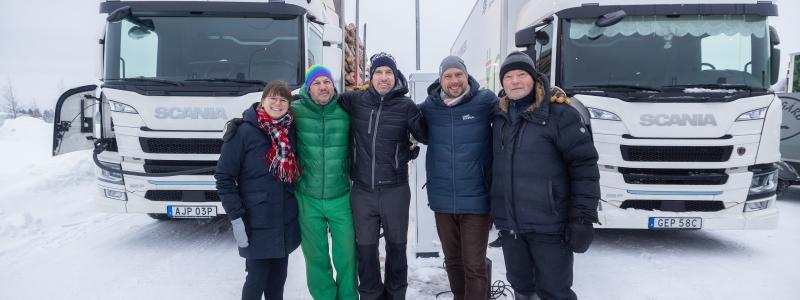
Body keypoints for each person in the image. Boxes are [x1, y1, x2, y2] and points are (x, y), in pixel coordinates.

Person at [489, 52, 600, 300]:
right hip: (511, 226)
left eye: (521, 75)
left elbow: (584, 167)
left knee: (554, 291)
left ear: (535, 78)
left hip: (549, 226)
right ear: (502, 83)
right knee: (521, 287)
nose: (515, 81)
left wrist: (582, 216)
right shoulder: (499, 117)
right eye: (508, 76)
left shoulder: (560, 115)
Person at [339, 52, 427, 300]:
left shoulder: (406, 106)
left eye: (388, 72)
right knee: (365, 250)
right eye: (378, 72)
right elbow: (321, 100)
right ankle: (370, 294)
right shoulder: (355, 100)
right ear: (371, 77)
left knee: (397, 248)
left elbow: (426, 134)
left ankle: (396, 294)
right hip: (362, 191)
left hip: (395, 190)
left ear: (395, 76)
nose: (384, 77)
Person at [418, 56, 496, 300]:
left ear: (466, 76)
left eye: (458, 75)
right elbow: (403, 120)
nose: (454, 80)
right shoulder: (429, 107)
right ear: (440, 80)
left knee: (474, 264)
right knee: (452, 261)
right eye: (448, 76)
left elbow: (514, 108)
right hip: (442, 199)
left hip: (476, 199)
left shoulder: (485, 101)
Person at [215, 81, 301, 300]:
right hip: (255, 221)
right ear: (262, 100)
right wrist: (236, 216)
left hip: (284, 221)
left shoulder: (290, 131)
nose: (278, 103)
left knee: (277, 284)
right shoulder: (243, 132)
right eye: (273, 97)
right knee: (255, 281)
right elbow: (224, 178)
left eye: (283, 99)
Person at [292, 65, 358, 300]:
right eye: (317, 83)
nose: (323, 87)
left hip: (341, 195)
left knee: (348, 255)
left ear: (333, 85)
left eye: (327, 82)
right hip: (307, 195)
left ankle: (349, 297)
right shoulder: (294, 110)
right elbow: (268, 113)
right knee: (316, 256)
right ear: (308, 88)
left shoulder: (346, 110)